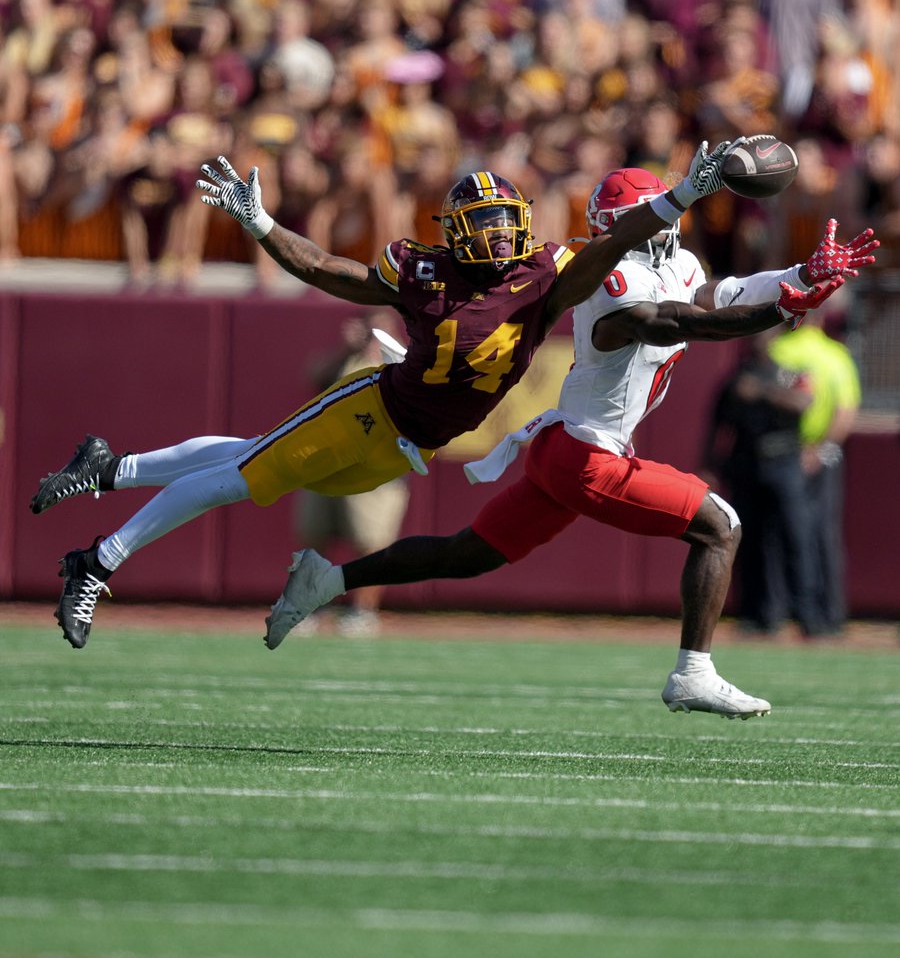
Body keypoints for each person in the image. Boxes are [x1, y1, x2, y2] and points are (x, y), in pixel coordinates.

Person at [31, 138, 739, 649]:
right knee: (240, 479)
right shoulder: (424, 270)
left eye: (503, 221)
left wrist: (682, 197)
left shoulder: (548, 274)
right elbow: (330, 270)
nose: (496, 235)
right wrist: (261, 224)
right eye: (482, 224)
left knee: (248, 455)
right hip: (370, 410)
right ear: (457, 231)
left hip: (409, 445)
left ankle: (108, 467)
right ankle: (99, 560)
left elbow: (612, 248)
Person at [259, 171, 878, 718]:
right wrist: (783, 311)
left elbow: (721, 294)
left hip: (566, 447)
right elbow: (679, 322)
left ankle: (328, 581)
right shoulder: (608, 280)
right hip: (587, 454)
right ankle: (693, 672)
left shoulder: (677, 266)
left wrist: (800, 276)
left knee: (469, 554)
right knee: (721, 526)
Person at [296, 309, 412, 637]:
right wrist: (347, 348)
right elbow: (315, 375)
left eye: (380, 328)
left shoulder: (401, 363)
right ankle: (309, 607)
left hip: (376, 472)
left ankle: (362, 612)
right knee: (314, 536)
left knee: (370, 542)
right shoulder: (345, 362)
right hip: (329, 467)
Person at [704, 331, 822, 636]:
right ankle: (759, 615)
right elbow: (717, 427)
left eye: (765, 333)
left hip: (784, 462)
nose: (759, 340)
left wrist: (763, 392)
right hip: (746, 465)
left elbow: (802, 403)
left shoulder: (787, 373)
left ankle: (808, 615)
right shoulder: (735, 379)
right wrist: (709, 466)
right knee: (750, 541)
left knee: (796, 537)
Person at [768, 302, 862, 634]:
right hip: (821, 453)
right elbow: (845, 410)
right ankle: (826, 616)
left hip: (780, 453)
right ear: (819, 318)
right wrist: (821, 449)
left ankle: (774, 615)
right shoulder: (835, 355)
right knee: (822, 535)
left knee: (776, 536)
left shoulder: (777, 349)